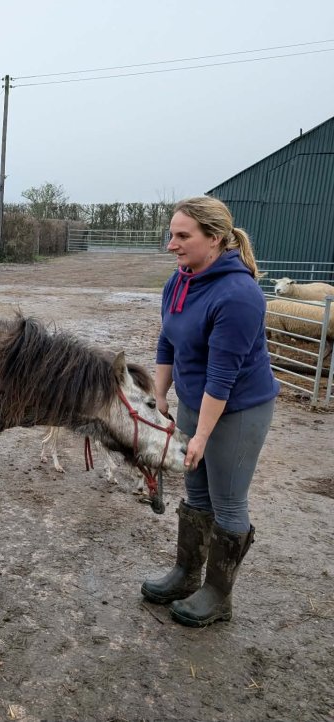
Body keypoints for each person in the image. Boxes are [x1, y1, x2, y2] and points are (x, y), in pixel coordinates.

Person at [141, 196, 279, 627]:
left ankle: (219, 596)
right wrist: (159, 396)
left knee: (228, 501)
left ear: (215, 238)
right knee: (196, 492)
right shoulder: (179, 280)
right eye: (171, 235)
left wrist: (200, 435)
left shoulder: (238, 295)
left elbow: (222, 376)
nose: (172, 245)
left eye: (183, 236)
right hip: (194, 401)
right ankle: (186, 575)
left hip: (237, 409)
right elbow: (168, 339)